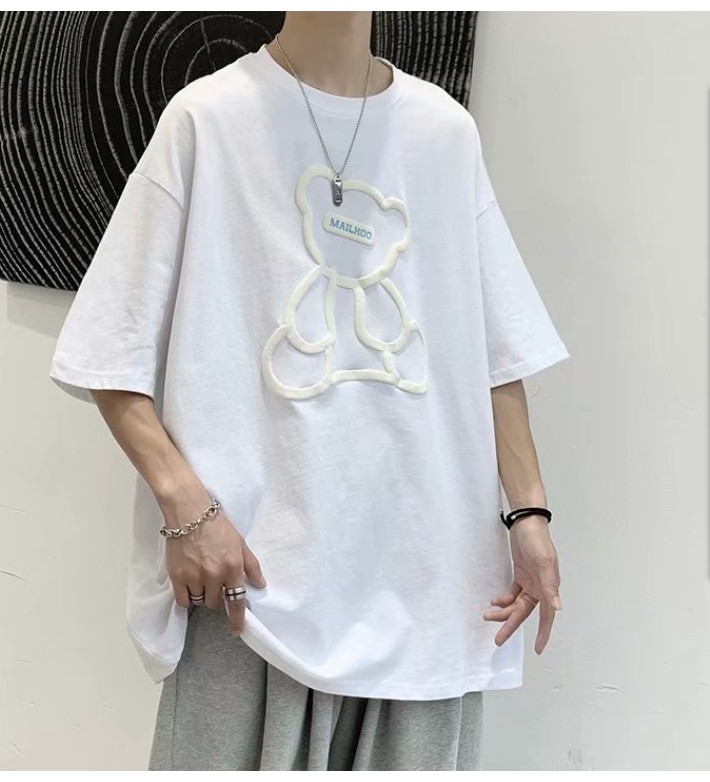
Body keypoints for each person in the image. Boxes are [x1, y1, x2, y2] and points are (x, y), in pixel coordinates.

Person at [48, 11, 569, 772]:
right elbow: (107, 350)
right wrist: (187, 507)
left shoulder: (444, 134)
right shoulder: (207, 120)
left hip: (427, 586)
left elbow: (498, 347)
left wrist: (529, 514)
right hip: (253, 586)